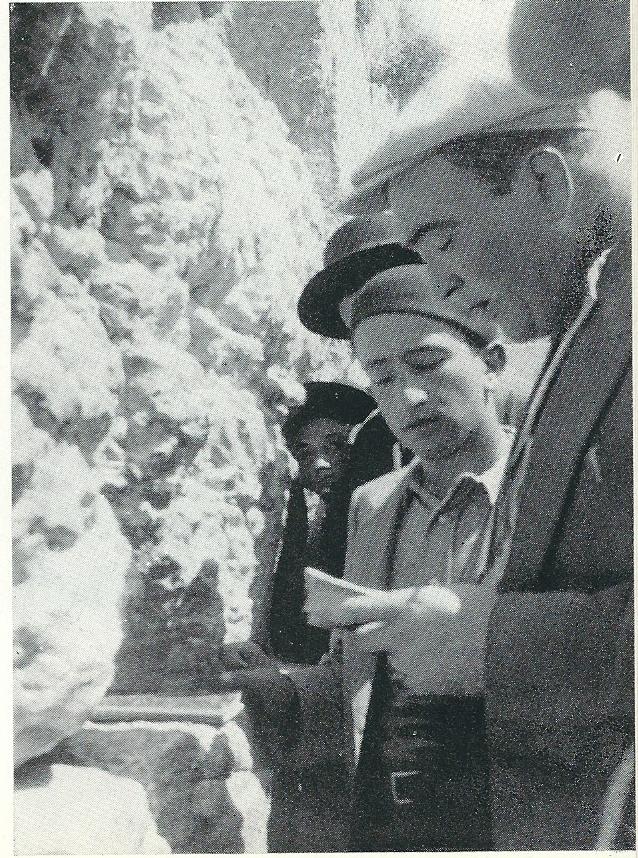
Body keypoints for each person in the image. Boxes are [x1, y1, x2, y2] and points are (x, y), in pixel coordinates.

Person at [337, 80, 632, 849]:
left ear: (544, 183)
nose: (439, 286)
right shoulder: (592, 322)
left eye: (441, 241)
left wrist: (494, 642)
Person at [221, 265, 516, 851]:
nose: (408, 396)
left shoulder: (545, 493)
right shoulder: (373, 505)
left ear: (491, 361)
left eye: (427, 364)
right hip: (391, 817)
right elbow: (355, 675)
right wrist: (278, 686)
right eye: (382, 378)